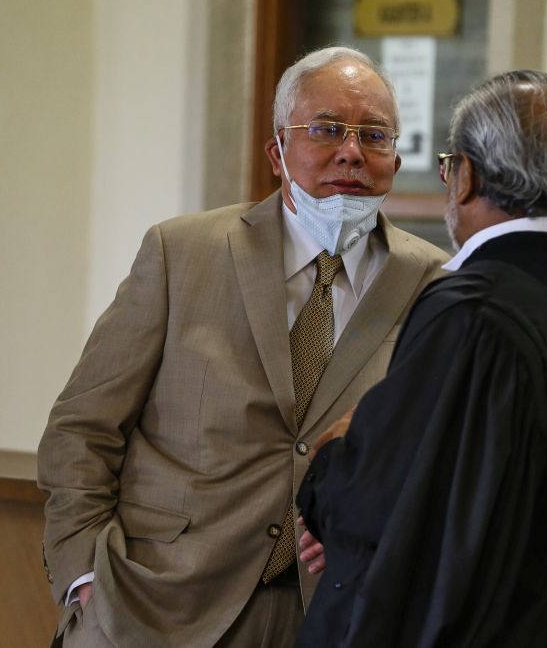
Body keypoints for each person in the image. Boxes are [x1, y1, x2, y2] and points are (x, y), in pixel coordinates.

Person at [37, 46, 448, 647]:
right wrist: (84, 577)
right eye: (326, 129)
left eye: (375, 135)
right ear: (276, 153)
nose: (351, 152)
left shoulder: (434, 284)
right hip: (152, 607)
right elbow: (82, 427)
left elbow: (435, 454)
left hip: (334, 616)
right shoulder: (182, 254)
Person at [294, 70, 547, 648]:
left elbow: (369, 504)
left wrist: (339, 446)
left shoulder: (467, 311)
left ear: (465, 176)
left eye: (449, 166)